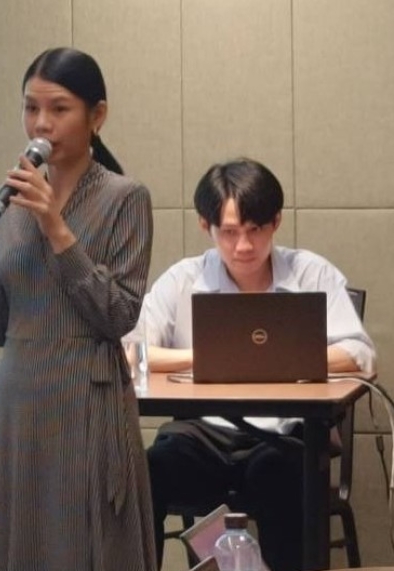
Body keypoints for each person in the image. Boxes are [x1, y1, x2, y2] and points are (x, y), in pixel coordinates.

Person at [0, 47, 155, 570]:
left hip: (85, 398)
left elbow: (119, 314)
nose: (41, 122)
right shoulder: (10, 203)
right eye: (30, 107)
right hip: (19, 398)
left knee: (80, 545)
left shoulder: (124, 198)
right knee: (18, 543)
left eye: (59, 108)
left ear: (98, 116)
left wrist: (57, 228)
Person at [136, 158, 374, 571]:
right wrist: (210, 357)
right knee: (145, 471)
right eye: (228, 232)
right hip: (202, 435)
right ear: (204, 226)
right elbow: (133, 354)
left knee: (287, 475)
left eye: (255, 230)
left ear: (276, 221)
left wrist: (283, 356)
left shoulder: (310, 273)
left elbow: (361, 354)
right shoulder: (182, 280)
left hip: (283, 436)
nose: (243, 246)